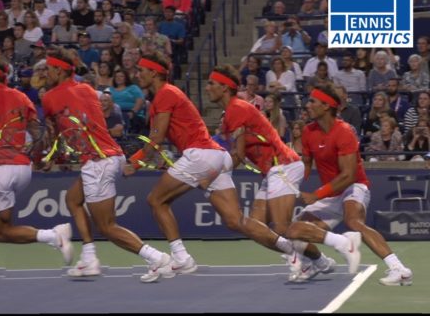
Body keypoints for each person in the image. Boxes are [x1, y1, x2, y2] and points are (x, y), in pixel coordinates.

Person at [123, 53, 294, 279]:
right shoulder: (165, 96)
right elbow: (161, 138)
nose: (137, 75)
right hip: (216, 155)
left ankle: (181, 259)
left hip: (201, 155)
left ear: (153, 72)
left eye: (141, 70)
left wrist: (134, 163)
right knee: (235, 221)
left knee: (156, 200)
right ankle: (293, 251)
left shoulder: (165, 94)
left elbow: (156, 138)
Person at [39, 52, 169, 281]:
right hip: (113, 157)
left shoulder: (50, 97)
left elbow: (56, 131)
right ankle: (89, 258)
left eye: (48, 69)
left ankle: (156, 258)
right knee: (73, 199)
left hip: (98, 163)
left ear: (59, 70)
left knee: (107, 227)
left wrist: (49, 155)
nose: (44, 73)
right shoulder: (88, 89)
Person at [206, 65, 338, 282]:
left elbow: (238, 155)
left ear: (225, 87)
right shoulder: (231, 114)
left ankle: (330, 250)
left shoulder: (236, 109)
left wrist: (212, 175)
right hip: (272, 170)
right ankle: (313, 260)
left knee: (282, 227)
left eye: (211, 83)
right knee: (255, 226)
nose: (207, 88)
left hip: (284, 165)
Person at [285, 85, 413, 286]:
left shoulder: (344, 132)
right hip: (331, 194)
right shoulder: (308, 131)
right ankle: (318, 263)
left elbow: (349, 175)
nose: (307, 105)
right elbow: (306, 164)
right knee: (294, 231)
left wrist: (316, 195)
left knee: (353, 222)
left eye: (312, 101)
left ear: (326, 106)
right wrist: (288, 179)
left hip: (354, 187)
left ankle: (399, 269)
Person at [0, 57, 71, 278]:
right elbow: (39, 134)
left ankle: (53, 236)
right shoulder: (22, 97)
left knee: (2, 231)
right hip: (23, 169)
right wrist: (39, 159)